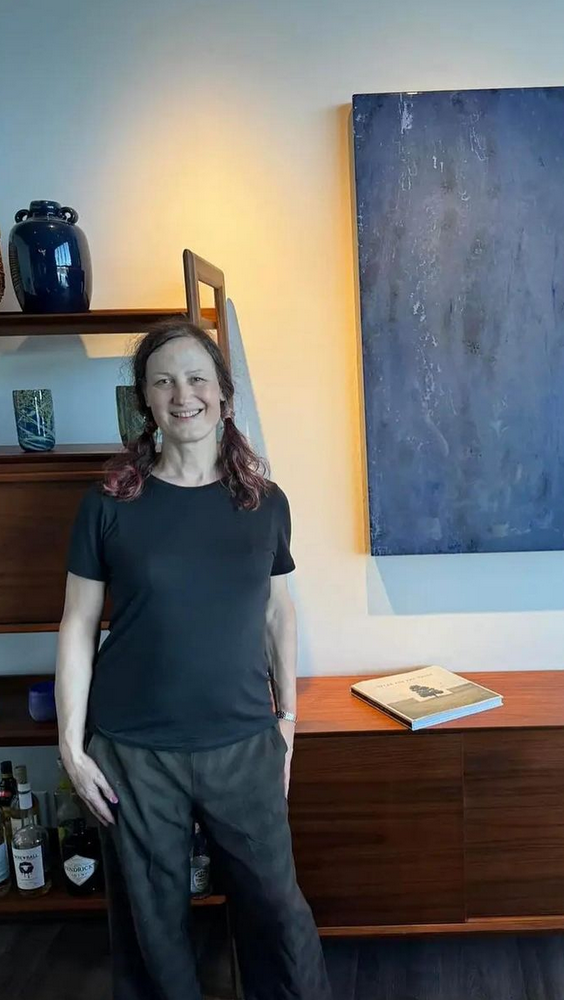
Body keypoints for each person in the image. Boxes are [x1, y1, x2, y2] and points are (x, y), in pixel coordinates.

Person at [55, 320, 331, 1000]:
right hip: (133, 750)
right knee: (151, 927)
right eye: (164, 382)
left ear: (223, 396)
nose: (184, 395)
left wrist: (287, 722)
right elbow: (78, 623)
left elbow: (278, 613)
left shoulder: (264, 504)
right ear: (145, 401)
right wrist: (70, 744)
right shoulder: (108, 505)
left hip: (243, 740)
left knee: (277, 912)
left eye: (197, 378)